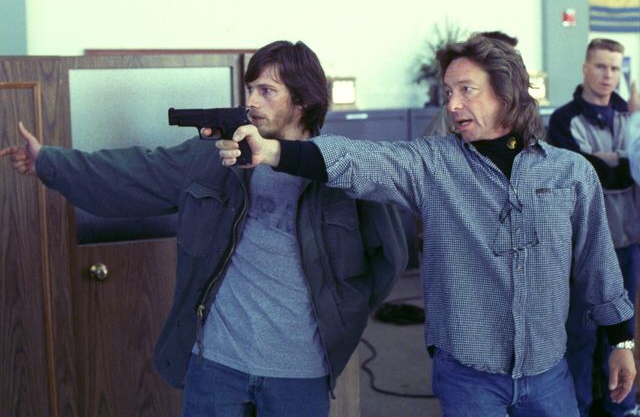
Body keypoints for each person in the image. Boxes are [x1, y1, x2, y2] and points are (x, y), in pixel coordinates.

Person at [216, 34, 637, 416]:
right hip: (468, 377)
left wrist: (621, 342)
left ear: (506, 93)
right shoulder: (434, 165)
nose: (452, 105)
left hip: (548, 373)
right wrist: (274, 152)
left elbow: (598, 264)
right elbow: (359, 161)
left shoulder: (570, 173)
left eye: (466, 90)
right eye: (448, 92)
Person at [0, 40, 408, 417]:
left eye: (267, 91)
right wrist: (47, 162)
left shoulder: (343, 169)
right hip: (217, 363)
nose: (251, 101)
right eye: (250, 89)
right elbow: (132, 172)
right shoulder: (215, 158)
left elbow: (389, 259)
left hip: (300, 372)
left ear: (301, 101)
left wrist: (340, 318)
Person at [547, 38, 640, 417]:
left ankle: (623, 408)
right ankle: (578, 409)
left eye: (615, 68)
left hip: (627, 241)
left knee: (621, 337)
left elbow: (629, 170)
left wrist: (607, 162)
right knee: (581, 336)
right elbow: (581, 174)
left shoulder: (630, 116)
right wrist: (616, 161)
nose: (608, 75)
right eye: (601, 66)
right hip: (581, 248)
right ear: (585, 68)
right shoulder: (563, 119)